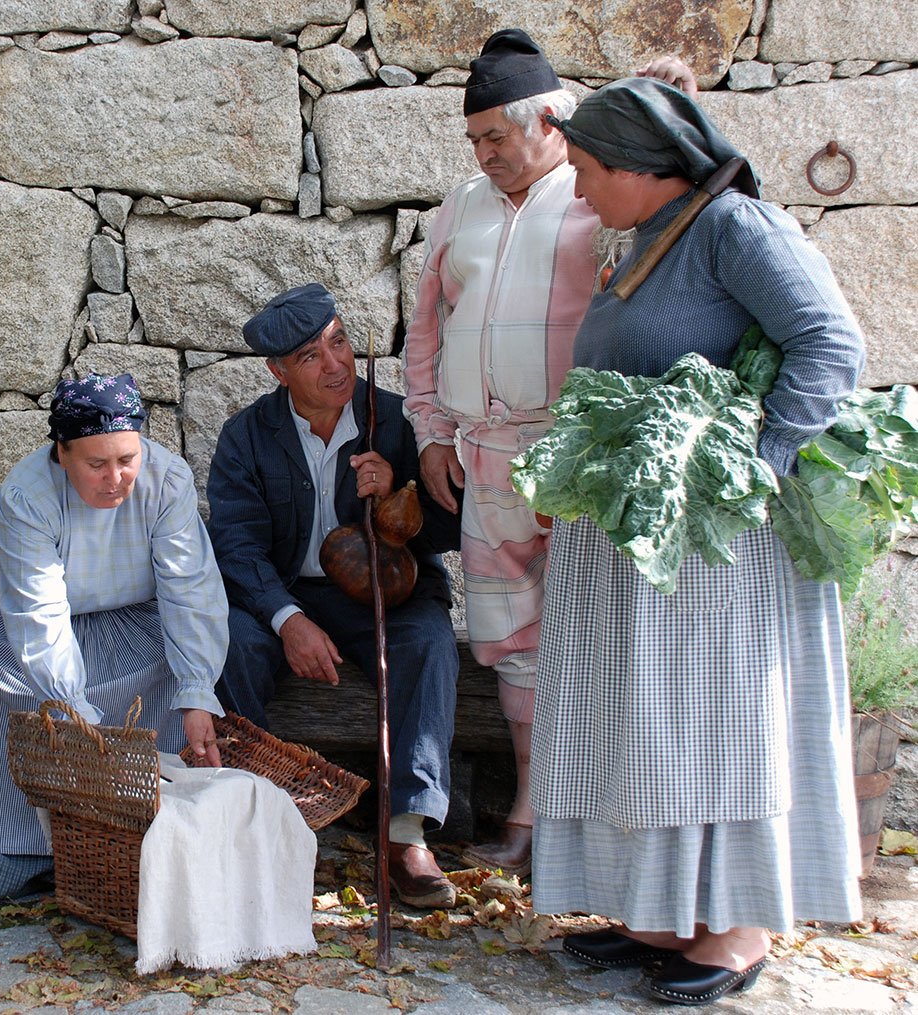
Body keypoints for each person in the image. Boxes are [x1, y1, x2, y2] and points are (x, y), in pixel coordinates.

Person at [532, 78, 864, 1005]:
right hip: (646, 541)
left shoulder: (734, 229)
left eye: (588, 169)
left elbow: (830, 344)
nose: (579, 188)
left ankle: (737, 926)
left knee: (710, 724)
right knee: (644, 722)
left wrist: (752, 463)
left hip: (715, 546)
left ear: (645, 166)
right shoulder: (653, 236)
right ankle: (662, 914)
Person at [402, 29, 696, 876]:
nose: (485, 153)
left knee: (599, 634)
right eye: (475, 139)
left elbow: (667, 272)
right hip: (485, 458)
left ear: (552, 120)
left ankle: (604, 824)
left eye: (497, 135)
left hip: (581, 461)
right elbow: (426, 329)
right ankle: (531, 812)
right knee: (510, 642)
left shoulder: (604, 190)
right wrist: (432, 433)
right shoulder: (461, 205)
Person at [0, 373, 228, 903]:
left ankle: (136, 839)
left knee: (166, 667)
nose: (116, 478)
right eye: (96, 464)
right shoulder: (27, 496)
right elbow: (39, 612)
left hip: (126, 609)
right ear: (62, 453)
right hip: (5, 605)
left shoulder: (167, 481)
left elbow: (190, 587)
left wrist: (196, 691)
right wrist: (76, 715)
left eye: (127, 459)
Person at [208, 283, 462, 909]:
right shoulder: (247, 435)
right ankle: (255, 815)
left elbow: (453, 527)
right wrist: (287, 618)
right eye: (311, 357)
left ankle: (406, 834)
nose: (336, 365)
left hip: (385, 593)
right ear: (278, 372)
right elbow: (236, 545)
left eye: (340, 342)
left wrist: (400, 499)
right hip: (286, 593)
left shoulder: (400, 422)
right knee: (230, 642)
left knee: (430, 640)